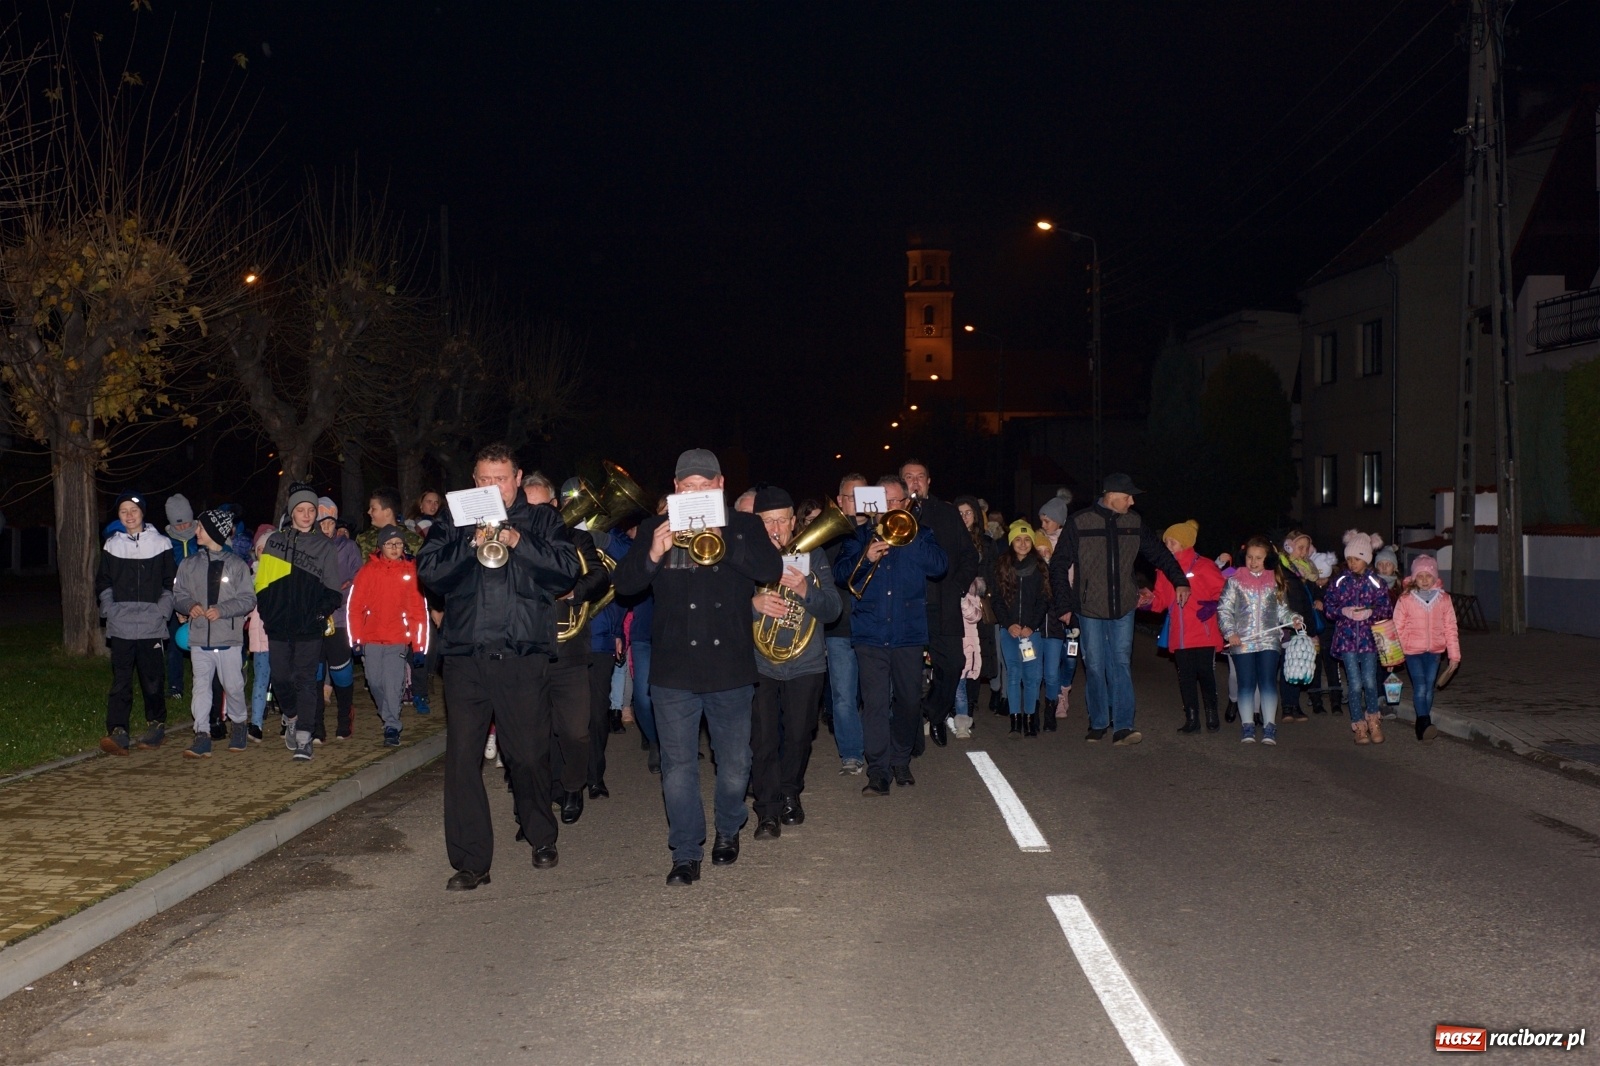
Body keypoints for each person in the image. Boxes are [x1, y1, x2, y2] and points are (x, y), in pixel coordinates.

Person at [613, 448, 782, 887]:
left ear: (720, 485)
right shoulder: (655, 526)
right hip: (674, 670)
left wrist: (724, 543)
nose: (696, 492)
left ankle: (728, 827)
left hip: (729, 666)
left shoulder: (744, 526)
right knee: (678, 767)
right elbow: (626, 585)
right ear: (676, 490)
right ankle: (686, 852)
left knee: (734, 765)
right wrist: (653, 551)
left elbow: (770, 568)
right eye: (688, 488)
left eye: (704, 487)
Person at [418, 443, 581, 889]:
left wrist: (516, 540)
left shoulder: (543, 518)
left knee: (527, 755)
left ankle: (540, 833)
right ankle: (472, 863)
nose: (493, 486)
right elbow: (429, 574)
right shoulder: (453, 519)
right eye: (484, 480)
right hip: (465, 656)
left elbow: (567, 571)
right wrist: (470, 543)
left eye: (501, 479)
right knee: (462, 760)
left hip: (521, 655)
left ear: (517, 478)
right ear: (475, 482)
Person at [1049, 473, 1190, 745]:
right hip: (1089, 608)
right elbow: (1059, 564)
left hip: (1125, 605)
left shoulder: (1133, 522)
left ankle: (1123, 726)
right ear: (1112, 495)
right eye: (1128, 496)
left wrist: (1180, 581)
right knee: (1095, 665)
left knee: (1121, 663)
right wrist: (1065, 604)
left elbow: (1160, 554)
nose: (1132, 501)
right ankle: (1099, 722)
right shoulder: (1080, 522)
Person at [835, 474, 947, 796]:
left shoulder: (922, 535)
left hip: (908, 633)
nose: (889, 508)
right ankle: (879, 771)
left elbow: (940, 566)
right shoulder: (859, 536)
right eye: (883, 502)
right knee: (874, 704)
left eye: (895, 501)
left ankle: (901, 760)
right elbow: (842, 575)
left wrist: (909, 538)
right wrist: (865, 557)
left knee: (910, 700)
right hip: (870, 632)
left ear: (906, 503)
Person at [749, 485, 841, 840]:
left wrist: (805, 590)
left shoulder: (814, 556)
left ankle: (790, 791)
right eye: (767, 522)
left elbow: (833, 609)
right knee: (763, 738)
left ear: (793, 523)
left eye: (781, 522)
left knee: (800, 736)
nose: (775, 530)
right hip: (760, 663)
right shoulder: (747, 558)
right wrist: (752, 606)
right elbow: (722, 608)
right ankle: (767, 811)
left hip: (805, 662)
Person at [524, 472, 610, 824]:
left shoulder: (576, 537)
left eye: (541, 506)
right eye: (526, 507)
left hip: (570, 650)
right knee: (532, 736)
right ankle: (536, 805)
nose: (535, 513)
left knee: (575, 731)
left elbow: (601, 576)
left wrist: (572, 591)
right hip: (527, 649)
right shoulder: (512, 540)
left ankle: (574, 785)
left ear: (555, 506)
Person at [255, 482, 345, 762]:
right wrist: (269, 613)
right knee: (280, 676)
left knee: (307, 680)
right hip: (279, 624)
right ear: (292, 512)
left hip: (309, 626)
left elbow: (333, 590)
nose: (306, 515)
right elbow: (262, 584)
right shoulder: (275, 542)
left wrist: (319, 614)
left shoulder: (324, 546)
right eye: (301, 509)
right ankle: (291, 716)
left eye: (311, 510)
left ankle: (305, 737)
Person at [899, 460, 980, 749]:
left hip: (943, 603)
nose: (915, 482)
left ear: (929, 481)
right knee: (906, 671)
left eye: (920, 476)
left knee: (955, 663)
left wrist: (957, 585)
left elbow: (970, 556)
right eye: (909, 477)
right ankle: (906, 732)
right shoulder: (894, 514)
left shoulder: (947, 513)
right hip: (907, 605)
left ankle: (934, 712)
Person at [96, 491, 178, 754]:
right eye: (123, 511)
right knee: (121, 679)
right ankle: (118, 730)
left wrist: (162, 612)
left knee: (152, 679)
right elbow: (104, 582)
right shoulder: (111, 545)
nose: (129, 515)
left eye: (133, 510)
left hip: (151, 624)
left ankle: (156, 725)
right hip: (121, 624)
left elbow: (170, 583)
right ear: (118, 516)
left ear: (143, 512)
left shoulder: (162, 544)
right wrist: (110, 609)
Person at [173, 509, 256, 757]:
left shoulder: (237, 565)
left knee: (233, 686)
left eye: (200, 528)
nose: (196, 531)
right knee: (200, 687)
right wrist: (189, 606)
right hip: (199, 639)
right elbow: (178, 595)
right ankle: (202, 734)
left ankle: (239, 724)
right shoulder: (189, 564)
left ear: (214, 532)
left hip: (228, 639)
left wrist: (222, 610)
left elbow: (248, 600)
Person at [347, 525, 431, 746]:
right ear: (380, 547)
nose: (395, 548)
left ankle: (392, 725)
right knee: (375, 682)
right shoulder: (367, 572)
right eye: (390, 544)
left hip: (397, 639)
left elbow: (418, 611)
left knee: (393, 684)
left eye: (399, 544)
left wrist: (419, 645)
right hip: (371, 638)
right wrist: (355, 639)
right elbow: (354, 607)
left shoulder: (410, 572)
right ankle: (388, 714)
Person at [1218, 536, 1305, 745]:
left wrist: (1293, 618)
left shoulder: (1274, 582)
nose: (1253, 561)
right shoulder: (1235, 581)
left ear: (1268, 559)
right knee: (1246, 684)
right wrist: (1230, 632)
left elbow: (1282, 611)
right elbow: (1224, 609)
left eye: (1258, 558)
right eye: (1249, 557)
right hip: (1243, 641)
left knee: (1267, 683)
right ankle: (1247, 725)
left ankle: (1269, 726)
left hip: (1268, 640)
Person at [1148, 519, 1226, 734]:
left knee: (1206, 673)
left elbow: (1225, 592)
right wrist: (1145, 600)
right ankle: (1192, 718)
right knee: (1186, 676)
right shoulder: (1164, 570)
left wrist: (1213, 604)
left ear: (1184, 543)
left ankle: (1212, 713)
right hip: (1180, 634)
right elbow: (1160, 601)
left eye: (1172, 543)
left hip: (1204, 631)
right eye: (1166, 543)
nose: (1168, 547)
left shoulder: (1204, 565)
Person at [1322, 530, 1393, 745]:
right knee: (1354, 684)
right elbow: (1329, 606)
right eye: (1349, 559)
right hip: (1347, 640)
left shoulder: (1376, 582)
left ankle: (1374, 720)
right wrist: (1342, 612)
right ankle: (1359, 725)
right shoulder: (1340, 581)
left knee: (1370, 682)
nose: (1352, 563)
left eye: (1357, 559)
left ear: (1367, 559)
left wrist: (1371, 613)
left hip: (1370, 641)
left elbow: (1387, 608)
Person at [822, 473, 869, 774]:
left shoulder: (883, 529)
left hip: (874, 624)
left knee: (880, 695)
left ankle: (880, 748)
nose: (858, 503)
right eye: (851, 496)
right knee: (842, 696)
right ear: (840, 501)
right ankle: (851, 753)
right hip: (839, 625)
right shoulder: (828, 533)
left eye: (864, 495)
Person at [1392, 554, 1460, 742]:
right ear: (1414, 578)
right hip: (1412, 651)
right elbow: (1397, 627)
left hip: (1435, 651)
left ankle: (1422, 724)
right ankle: (1424, 722)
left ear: (1435, 577)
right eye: (1420, 576)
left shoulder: (1444, 599)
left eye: (1428, 576)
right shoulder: (1406, 599)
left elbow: (1450, 627)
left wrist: (1454, 656)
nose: (1424, 580)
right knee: (1420, 687)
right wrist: (1394, 653)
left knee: (1429, 688)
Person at [993, 519, 1051, 738]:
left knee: (1032, 676)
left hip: (1031, 633)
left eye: (1027, 539)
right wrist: (1009, 624)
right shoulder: (1002, 566)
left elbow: (1044, 599)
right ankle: (1015, 721)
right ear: (1011, 542)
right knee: (1014, 674)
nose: (1023, 543)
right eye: (1018, 539)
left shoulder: (1039, 567)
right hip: (1009, 632)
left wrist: (1031, 626)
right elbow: (997, 599)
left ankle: (1031, 718)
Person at [315, 498, 363, 740]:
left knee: (340, 671)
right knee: (314, 671)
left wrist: (345, 588)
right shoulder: (307, 546)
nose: (326, 528)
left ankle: (345, 715)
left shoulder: (348, 548)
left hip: (340, 618)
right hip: (312, 620)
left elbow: (359, 578)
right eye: (322, 523)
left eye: (331, 522)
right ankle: (317, 724)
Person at [163, 494, 200, 700]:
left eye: (185, 522)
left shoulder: (200, 536)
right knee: (176, 644)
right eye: (177, 524)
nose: (182, 527)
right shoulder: (166, 543)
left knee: (201, 646)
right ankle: (175, 686)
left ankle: (202, 684)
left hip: (200, 601)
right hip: (174, 601)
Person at [244, 524, 275, 742]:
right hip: (260, 639)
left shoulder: (282, 576)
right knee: (260, 681)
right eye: (260, 549)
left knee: (284, 680)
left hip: (281, 637)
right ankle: (256, 723)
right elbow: (244, 604)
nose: (264, 553)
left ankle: (288, 719)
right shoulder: (250, 576)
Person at [358, 487, 425, 559]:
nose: (369, 512)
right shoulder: (363, 539)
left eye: (373, 509)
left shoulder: (415, 540)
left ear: (387, 512)